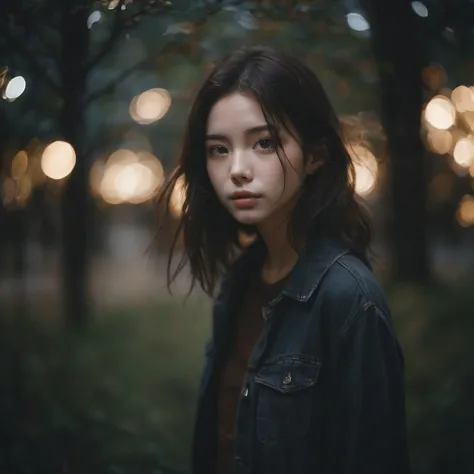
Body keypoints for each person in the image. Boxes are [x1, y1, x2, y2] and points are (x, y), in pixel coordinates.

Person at [156, 46, 412, 474]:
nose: (237, 168)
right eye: (219, 149)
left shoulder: (349, 300)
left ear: (315, 155)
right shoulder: (241, 281)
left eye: (264, 143)